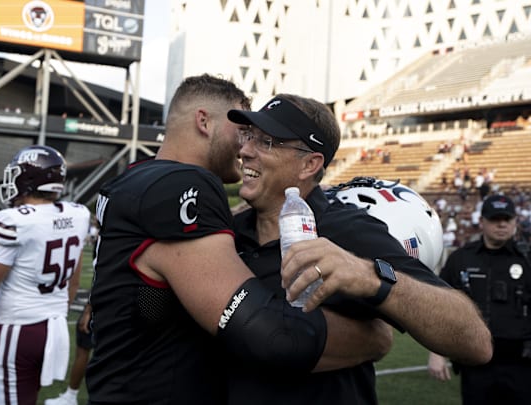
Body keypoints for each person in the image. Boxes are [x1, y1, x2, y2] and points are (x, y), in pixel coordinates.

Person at [86, 75, 405, 405]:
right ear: (204, 121)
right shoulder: (183, 182)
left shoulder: (135, 176)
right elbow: (270, 335)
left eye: (259, 139)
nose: (244, 147)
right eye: (242, 132)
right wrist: (373, 340)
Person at [226, 93, 492, 404]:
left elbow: (476, 342)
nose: (244, 151)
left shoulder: (350, 230)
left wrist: (369, 277)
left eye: (266, 141)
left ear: (309, 164)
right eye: (248, 136)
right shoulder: (227, 231)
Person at [0, 145, 90, 405]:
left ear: (29, 179)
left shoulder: (14, 220)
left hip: (20, 330)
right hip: (55, 329)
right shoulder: (77, 214)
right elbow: (72, 283)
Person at [428, 194, 531, 405]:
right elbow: (440, 305)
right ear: (482, 221)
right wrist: (437, 353)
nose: (502, 224)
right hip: (475, 364)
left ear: (515, 222)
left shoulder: (527, 259)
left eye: (507, 219)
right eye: (495, 219)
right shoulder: (461, 258)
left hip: (522, 363)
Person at [45, 302, 93, 405]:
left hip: (108, 304)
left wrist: (88, 309)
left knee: (84, 347)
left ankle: (71, 396)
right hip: (125, 304)